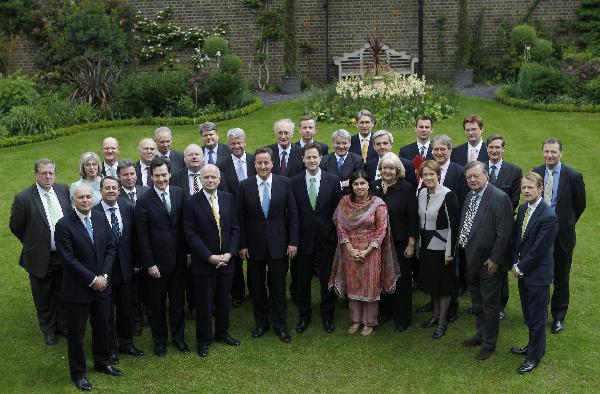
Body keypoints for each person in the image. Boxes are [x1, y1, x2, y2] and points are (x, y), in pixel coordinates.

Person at [55, 184, 121, 391]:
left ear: (93, 198)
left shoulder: (100, 217)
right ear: (73, 200)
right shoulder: (64, 225)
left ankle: (102, 362)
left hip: (103, 286)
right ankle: (78, 373)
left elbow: (111, 247)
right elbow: (68, 259)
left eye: (88, 197)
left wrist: (105, 275)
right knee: (77, 333)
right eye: (81, 197)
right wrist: (93, 279)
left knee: (103, 326)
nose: (85, 200)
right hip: (79, 290)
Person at [237, 147, 299, 343]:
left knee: (278, 287)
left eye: (266, 162)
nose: (262, 166)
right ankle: (261, 323)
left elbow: (293, 216)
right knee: (256, 287)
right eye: (259, 163)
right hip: (254, 247)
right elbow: (240, 219)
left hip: (279, 245)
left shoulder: (284, 183)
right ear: (254, 164)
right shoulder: (244, 186)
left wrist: (292, 242)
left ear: (272, 164)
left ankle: (280, 325)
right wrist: (242, 245)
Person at [328, 169, 399, 336]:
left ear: (369, 185)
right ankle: (355, 320)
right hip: (350, 249)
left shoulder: (378, 204)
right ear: (351, 186)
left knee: (370, 285)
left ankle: (370, 322)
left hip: (371, 251)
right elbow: (340, 226)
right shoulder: (344, 202)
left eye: (362, 183)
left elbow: (381, 230)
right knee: (353, 284)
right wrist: (350, 249)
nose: (359, 187)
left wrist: (367, 251)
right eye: (356, 184)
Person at [9, 159, 71, 346]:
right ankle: (49, 330)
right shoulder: (24, 198)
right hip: (39, 256)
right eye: (43, 173)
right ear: (36, 174)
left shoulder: (63, 190)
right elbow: (16, 226)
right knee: (43, 296)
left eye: (51, 173)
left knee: (62, 293)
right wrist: (33, 243)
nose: (47, 176)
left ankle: (63, 326)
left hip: (63, 255)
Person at [183, 164, 241, 358]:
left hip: (226, 262)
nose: (210, 180)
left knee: (224, 301)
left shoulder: (228, 198)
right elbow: (190, 235)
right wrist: (209, 256)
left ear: (219, 179)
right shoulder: (191, 202)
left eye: (213, 177)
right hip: (204, 263)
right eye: (206, 177)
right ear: (201, 179)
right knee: (205, 304)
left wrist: (230, 253)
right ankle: (204, 339)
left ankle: (222, 333)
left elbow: (235, 228)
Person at [458, 161, 513, 361]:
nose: (472, 180)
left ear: (486, 176)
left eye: (476, 176)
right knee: (477, 303)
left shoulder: (499, 198)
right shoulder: (470, 195)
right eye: (469, 177)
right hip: (471, 260)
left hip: (488, 264)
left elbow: (504, 233)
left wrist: (495, 259)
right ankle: (480, 335)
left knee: (490, 306)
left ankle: (489, 344)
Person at [135, 156, 189, 357]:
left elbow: (184, 227)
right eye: (157, 176)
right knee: (157, 305)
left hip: (179, 260)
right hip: (157, 264)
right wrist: (150, 263)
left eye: (164, 175)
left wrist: (188, 254)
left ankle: (178, 338)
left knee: (177, 303)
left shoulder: (178, 193)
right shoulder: (143, 201)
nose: (161, 179)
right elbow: (143, 236)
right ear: (151, 176)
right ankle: (159, 341)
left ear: (170, 174)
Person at [533, 138, 586, 334]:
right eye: (546, 151)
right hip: (540, 234)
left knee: (561, 276)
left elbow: (580, 205)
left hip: (562, 235)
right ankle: (538, 312)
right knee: (539, 275)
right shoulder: (536, 172)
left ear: (561, 153)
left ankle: (558, 316)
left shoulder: (572, 175)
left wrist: (566, 222)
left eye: (553, 152)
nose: (550, 155)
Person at [510, 172, 559, 374]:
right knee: (529, 315)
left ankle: (534, 357)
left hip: (537, 275)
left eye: (531, 188)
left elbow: (539, 249)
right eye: (524, 188)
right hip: (523, 272)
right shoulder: (522, 209)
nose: (527, 191)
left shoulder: (548, 216)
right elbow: (517, 239)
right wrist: (514, 261)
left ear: (540, 189)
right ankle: (533, 347)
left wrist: (521, 267)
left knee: (537, 318)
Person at [93, 176, 144, 364]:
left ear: (119, 190)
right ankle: (111, 349)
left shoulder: (127, 208)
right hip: (104, 272)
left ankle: (126, 343)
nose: (111, 191)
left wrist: (137, 263)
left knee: (126, 309)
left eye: (114, 188)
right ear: (101, 191)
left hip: (126, 269)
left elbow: (134, 239)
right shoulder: (94, 212)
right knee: (107, 313)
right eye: (107, 188)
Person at [290, 143, 341, 334]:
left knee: (327, 280)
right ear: (303, 159)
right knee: (302, 281)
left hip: (326, 239)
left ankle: (327, 316)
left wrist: (334, 237)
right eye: (308, 157)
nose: (312, 160)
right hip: (303, 241)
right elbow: (292, 214)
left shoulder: (332, 180)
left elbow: (337, 212)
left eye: (315, 157)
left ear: (321, 158)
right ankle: (304, 315)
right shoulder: (293, 182)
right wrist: (293, 241)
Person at [372, 153, 418, 333]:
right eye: (384, 168)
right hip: (379, 241)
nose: (387, 171)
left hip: (400, 241)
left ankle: (403, 318)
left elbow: (412, 218)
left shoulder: (406, 188)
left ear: (398, 170)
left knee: (401, 279)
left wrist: (411, 243)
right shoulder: (375, 187)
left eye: (391, 168)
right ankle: (385, 312)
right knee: (382, 276)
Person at [415, 160, 459, 339]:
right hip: (425, 245)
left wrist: (450, 252)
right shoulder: (422, 193)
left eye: (431, 174)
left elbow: (453, 226)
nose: (428, 178)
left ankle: (442, 322)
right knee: (432, 283)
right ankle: (434, 316)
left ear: (438, 175)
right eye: (425, 175)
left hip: (441, 247)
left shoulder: (448, 195)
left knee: (444, 286)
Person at [486, 134, 522, 319]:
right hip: (482, 227)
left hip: (503, 226)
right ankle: (485, 302)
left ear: (503, 149)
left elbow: (514, 200)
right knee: (481, 264)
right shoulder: (480, 168)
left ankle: (501, 304)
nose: (494, 151)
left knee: (499, 264)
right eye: (491, 147)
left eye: (497, 147)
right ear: (487, 149)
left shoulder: (514, 171)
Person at [220, 128, 256, 307]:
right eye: (233, 143)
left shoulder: (254, 160)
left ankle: (255, 288)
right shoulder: (222, 165)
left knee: (255, 254)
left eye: (239, 143)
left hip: (255, 215)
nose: (236, 146)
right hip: (233, 215)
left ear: (245, 142)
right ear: (228, 145)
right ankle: (238, 292)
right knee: (234, 253)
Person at [116, 159, 150, 336]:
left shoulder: (146, 191)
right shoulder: (116, 196)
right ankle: (136, 321)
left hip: (148, 247)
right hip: (129, 250)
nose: (129, 178)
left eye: (132, 174)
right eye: (125, 175)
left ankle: (151, 315)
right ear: (118, 177)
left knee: (149, 285)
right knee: (132, 289)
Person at [320, 129, 364, 194]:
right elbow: (323, 180)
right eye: (337, 143)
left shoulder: (357, 160)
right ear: (333, 143)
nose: (341, 146)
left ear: (349, 144)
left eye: (344, 143)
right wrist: (344, 183)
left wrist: (339, 184)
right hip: (329, 195)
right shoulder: (324, 160)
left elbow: (357, 179)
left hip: (350, 197)